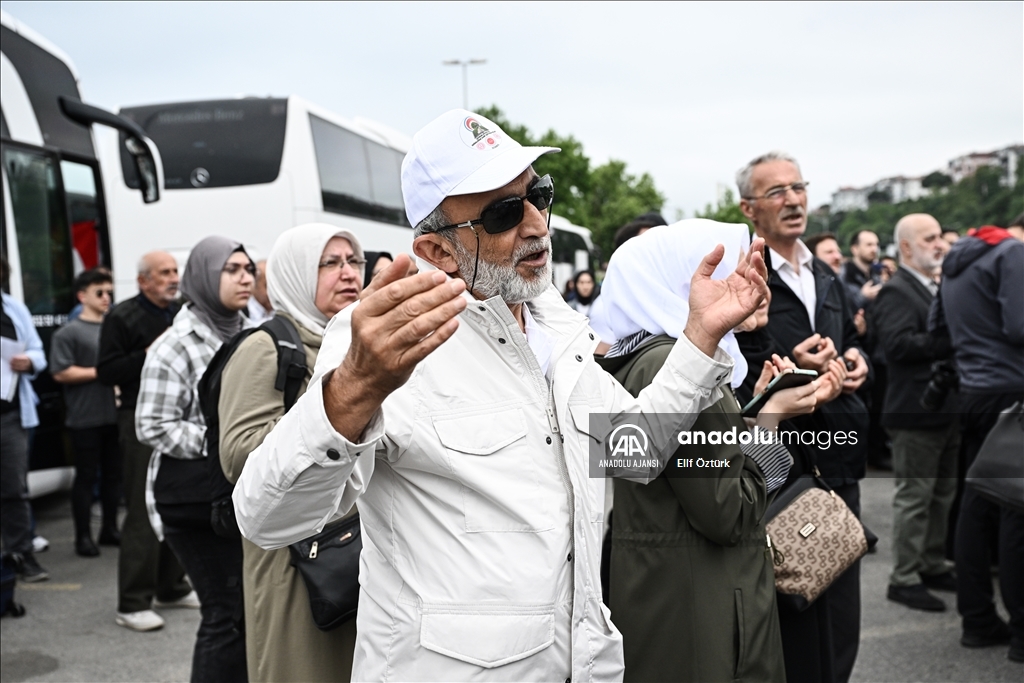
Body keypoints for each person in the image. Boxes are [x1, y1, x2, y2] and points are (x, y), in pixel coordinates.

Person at [233, 108, 768, 682]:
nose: (537, 223)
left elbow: (631, 455)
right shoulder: (385, 339)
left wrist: (700, 340)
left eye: (538, 194)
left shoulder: (557, 326)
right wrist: (349, 396)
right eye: (505, 212)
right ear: (437, 251)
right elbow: (267, 517)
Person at [591, 220, 823, 682]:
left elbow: (682, 465)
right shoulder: (667, 364)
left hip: (674, 594)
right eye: (717, 274)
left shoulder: (640, 356)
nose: (743, 286)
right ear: (676, 281)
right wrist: (770, 423)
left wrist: (751, 412)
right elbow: (728, 512)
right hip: (703, 608)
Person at [737, 150, 870, 683]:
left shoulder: (825, 271)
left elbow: (853, 342)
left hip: (840, 460)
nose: (792, 200)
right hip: (787, 470)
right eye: (776, 192)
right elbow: (741, 366)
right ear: (749, 209)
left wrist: (857, 364)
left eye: (798, 187)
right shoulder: (747, 275)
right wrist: (795, 364)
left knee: (845, 614)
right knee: (801, 613)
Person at [219, 224, 364, 682]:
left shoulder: (352, 342)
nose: (347, 274)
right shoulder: (266, 348)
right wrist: (332, 409)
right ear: (296, 272)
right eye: (330, 262)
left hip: (352, 545)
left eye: (353, 261)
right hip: (295, 553)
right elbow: (238, 454)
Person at [136, 237, 254, 682]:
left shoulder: (251, 329)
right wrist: (223, 439)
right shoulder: (176, 345)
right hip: (193, 500)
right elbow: (152, 425)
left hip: (235, 490)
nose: (245, 278)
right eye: (232, 269)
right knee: (226, 613)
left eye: (248, 269)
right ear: (204, 276)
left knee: (245, 610)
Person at [934, 223, 1024, 662]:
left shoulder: (956, 259)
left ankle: (977, 618)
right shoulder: (1010, 253)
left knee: (977, 504)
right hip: (1012, 393)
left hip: (973, 391)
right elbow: (1020, 327)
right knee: (1016, 512)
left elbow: (938, 328)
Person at [98, 251, 196, 632]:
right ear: (143, 281)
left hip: (179, 416)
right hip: (139, 419)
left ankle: (170, 586)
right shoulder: (122, 316)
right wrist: (148, 356)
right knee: (142, 507)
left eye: (175, 271)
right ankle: (133, 601)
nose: (173, 278)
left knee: (174, 498)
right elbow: (106, 372)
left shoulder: (180, 312)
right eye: (164, 273)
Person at [873, 214, 959, 612]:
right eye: (930, 238)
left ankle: (932, 562)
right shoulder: (897, 291)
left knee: (942, 494)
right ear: (906, 247)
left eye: (940, 236)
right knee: (916, 497)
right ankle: (904, 577)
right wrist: (948, 339)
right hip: (914, 412)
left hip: (943, 409)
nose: (939, 244)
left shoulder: (934, 285)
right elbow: (898, 346)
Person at [50, 268, 121, 557]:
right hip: (84, 417)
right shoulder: (69, 332)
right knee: (86, 477)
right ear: (82, 296)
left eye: (109, 293)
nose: (106, 298)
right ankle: (82, 536)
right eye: (99, 293)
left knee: (113, 477)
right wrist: (101, 372)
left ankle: (109, 528)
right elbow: (61, 371)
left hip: (113, 415)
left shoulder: (114, 327)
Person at [1, 256, 49, 582]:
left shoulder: (13, 308)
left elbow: (39, 353)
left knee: (15, 489)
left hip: (10, 416)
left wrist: (27, 361)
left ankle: (21, 555)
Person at [842, 230, 882, 311]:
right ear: (855, 249)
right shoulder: (843, 275)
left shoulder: (876, 274)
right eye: (869, 245)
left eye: (876, 244)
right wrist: (862, 296)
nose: (874, 249)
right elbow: (843, 310)